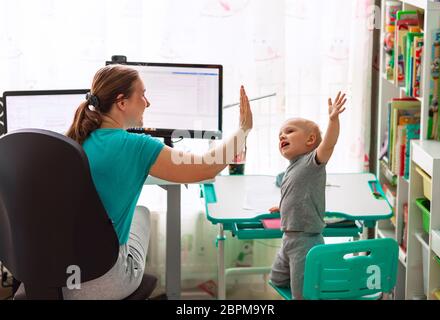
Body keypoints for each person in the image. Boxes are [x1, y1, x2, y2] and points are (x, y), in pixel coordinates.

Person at [64, 65, 253, 299]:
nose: (147, 102)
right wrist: (244, 130)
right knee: (141, 214)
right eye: (142, 94)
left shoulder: (74, 140)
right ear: (121, 102)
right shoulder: (136, 146)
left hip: (60, 277)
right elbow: (206, 167)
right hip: (103, 282)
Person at [268, 92, 347, 300]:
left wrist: (333, 120)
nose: (282, 136)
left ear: (310, 140)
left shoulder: (312, 162)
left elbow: (328, 144)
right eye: (280, 135)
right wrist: (283, 206)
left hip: (306, 240)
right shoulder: (291, 167)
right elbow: (297, 192)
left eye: (289, 131)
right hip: (289, 237)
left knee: (303, 295)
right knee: (276, 279)